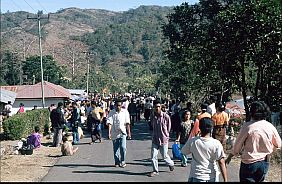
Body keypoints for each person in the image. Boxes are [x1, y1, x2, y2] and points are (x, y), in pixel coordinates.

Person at [225, 101, 282, 182]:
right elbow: (279, 144)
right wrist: (270, 151)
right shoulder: (270, 126)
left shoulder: (248, 126)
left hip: (249, 163)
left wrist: (230, 157)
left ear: (251, 112)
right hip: (264, 162)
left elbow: (237, 146)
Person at [181, 117, 227, 182]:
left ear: (199, 128)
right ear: (212, 128)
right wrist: (225, 179)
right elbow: (221, 162)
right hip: (211, 176)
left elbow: (184, 152)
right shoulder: (216, 143)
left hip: (197, 175)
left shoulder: (193, 141)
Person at [148, 99, 174, 177]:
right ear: (153, 107)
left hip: (164, 139)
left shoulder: (166, 116)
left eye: (158, 106)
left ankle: (171, 164)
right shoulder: (152, 116)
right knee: (153, 156)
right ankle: (155, 170)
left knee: (164, 156)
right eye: (155, 107)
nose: (157, 108)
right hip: (155, 139)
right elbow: (152, 125)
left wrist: (166, 135)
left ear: (161, 107)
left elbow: (169, 128)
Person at [106, 99, 131, 168]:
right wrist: (109, 133)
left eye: (119, 105)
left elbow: (127, 123)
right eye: (116, 105)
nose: (118, 107)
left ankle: (123, 161)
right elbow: (109, 123)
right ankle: (117, 162)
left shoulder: (125, 112)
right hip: (114, 133)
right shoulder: (112, 112)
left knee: (123, 148)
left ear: (121, 105)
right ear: (114, 106)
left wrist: (129, 133)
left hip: (122, 132)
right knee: (116, 148)